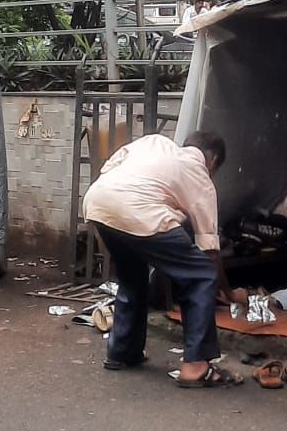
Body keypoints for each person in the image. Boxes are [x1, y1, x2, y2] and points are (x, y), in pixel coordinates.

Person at [83, 131, 247, 386]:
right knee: (201, 274)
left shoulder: (153, 143)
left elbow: (110, 166)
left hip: (99, 202)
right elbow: (210, 251)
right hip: (140, 211)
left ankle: (122, 352)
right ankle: (196, 366)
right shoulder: (200, 175)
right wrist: (229, 292)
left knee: (132, 276)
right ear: (212, 161)